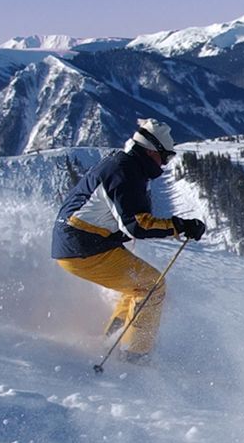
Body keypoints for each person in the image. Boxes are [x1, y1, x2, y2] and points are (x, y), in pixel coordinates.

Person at [51, 118, 206, 361]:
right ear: (151, 151)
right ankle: (134, 356)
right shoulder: (124, 173)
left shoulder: (124, 165)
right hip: (83, 245)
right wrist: (181, 226)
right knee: (151, 286)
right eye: (165, 156)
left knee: (135, 287)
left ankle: (112, 340)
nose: (165, 163)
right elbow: (137, 225)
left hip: (81, 241)